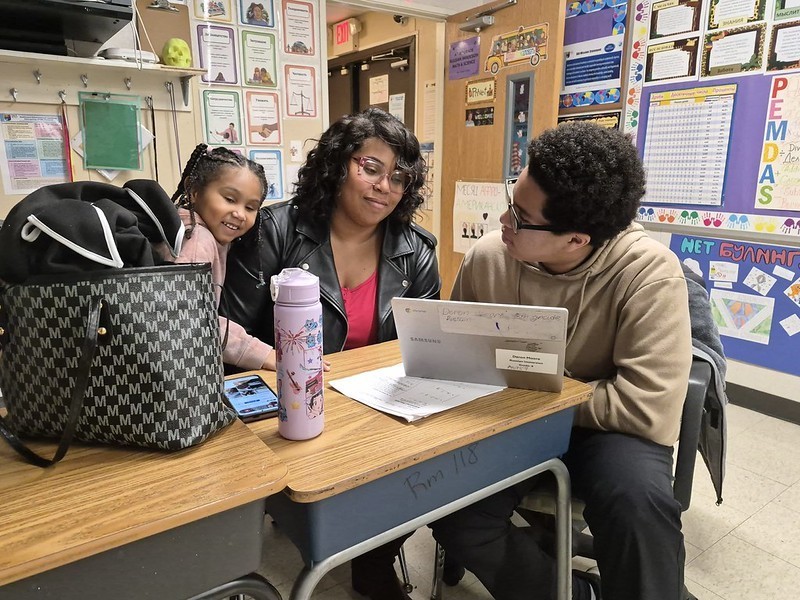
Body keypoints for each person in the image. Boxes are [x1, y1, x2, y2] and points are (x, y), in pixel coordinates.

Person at [430, 122, 692, 600]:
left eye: (520, 217)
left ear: (576, 239)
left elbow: (645, 409)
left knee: (640, 505)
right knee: (454, 511)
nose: (502, 221)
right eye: (510, 202)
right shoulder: (489, 257)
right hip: (511, 420)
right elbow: (456, 352)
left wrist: (532, 389)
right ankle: (572, 593)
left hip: (607, 431)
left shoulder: (649, 274)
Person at [224, 107, 441, 600]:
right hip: (284, 407)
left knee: (437, 466)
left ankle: (373, 560)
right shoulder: (274, 230)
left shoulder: (417, 251)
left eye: (399, 177)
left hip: (374, 412)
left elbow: (422, 351)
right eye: (370, 167)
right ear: (337, 164)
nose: (384, 185)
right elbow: (229, 335)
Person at [172, 143, 276, 372]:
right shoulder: (197, 241)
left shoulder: (188, 227)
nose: (239, 213)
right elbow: (192, 320)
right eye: (229, 199)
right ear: (193, 190)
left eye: (250, 207)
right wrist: (264, 354)